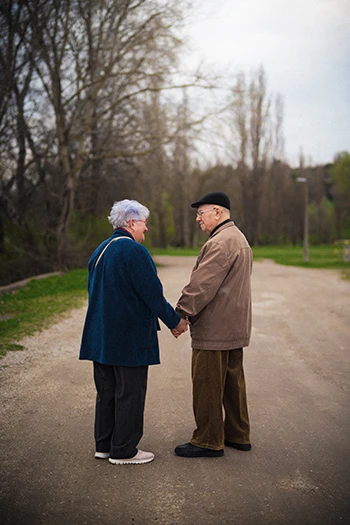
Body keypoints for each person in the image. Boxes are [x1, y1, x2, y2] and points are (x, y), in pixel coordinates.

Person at [79, 199, 188, 465]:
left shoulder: (100, 250)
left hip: (101, 338)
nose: (146, 229)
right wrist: (175, 321)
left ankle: (104, 446)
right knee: (130, 392)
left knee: (107, 392)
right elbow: (152, 294)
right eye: (144, 223)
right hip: (128, 339)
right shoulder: (134, 252)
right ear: (131, 223)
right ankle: (124, 450)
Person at [174, 191, 252, 458]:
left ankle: (208, 440)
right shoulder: (238, 238)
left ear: (218, 213)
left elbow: (202, 284)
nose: (198, 218)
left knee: (207, 383)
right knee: (233, 384)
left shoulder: (220, 242)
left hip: (215, 329)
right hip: (233, 327)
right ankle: (237, 434)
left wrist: (182, 313)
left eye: (201, 213)